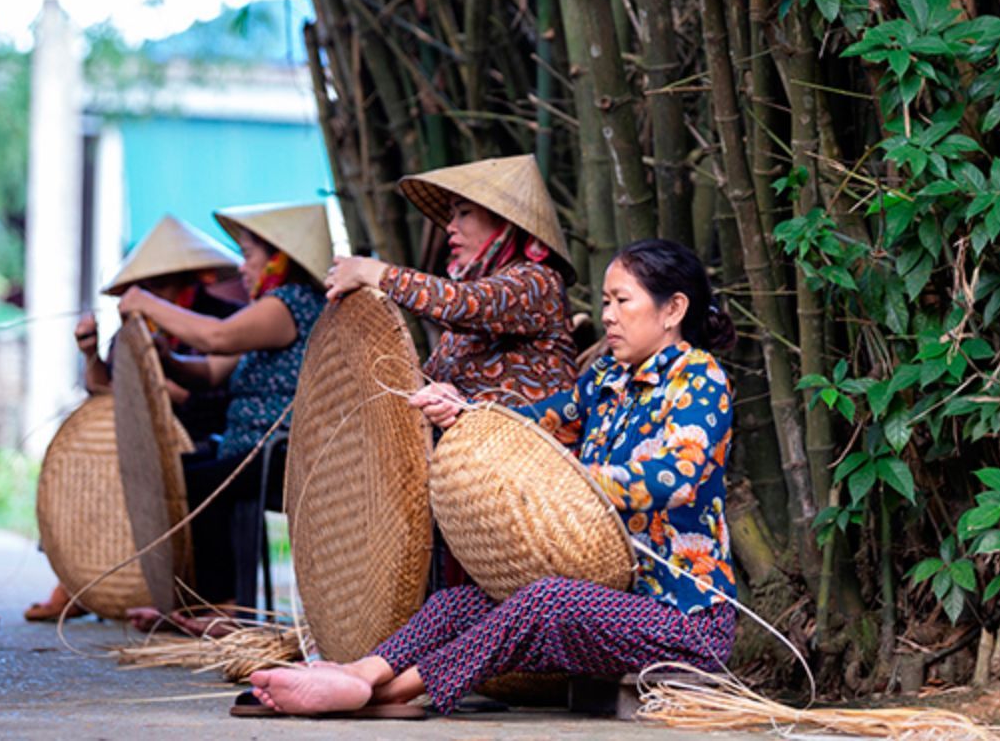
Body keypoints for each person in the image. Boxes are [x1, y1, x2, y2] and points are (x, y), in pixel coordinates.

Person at [246, 239, 737, 717]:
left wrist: (572, 485)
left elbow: (677, 477)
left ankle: (389, 694)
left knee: (549, 598)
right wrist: (464, 410)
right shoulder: (607, 377)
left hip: (682, 619)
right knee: (459, 603)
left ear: (672, 309)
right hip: (613, 601)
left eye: (622, 301)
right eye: (605, 301)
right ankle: (360, 673)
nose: (608, 315)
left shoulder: (700, 378)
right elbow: (537, 420)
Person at [117, 202, 330, 632]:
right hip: (250, 451)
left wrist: (146, 303)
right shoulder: (267, 308)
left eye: (249, 255)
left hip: (283, 455)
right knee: (180, 471)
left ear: (278, 259)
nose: (243, 267)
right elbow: (210, 371)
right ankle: (195, 599)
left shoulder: (288, 305)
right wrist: (165, 356)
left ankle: (229, 605)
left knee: (199, 482)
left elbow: (215, 337)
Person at [25, 214, 244, 623]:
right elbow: (104, 390)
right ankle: (75, 582)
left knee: (174, 470)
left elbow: (191, 389)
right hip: (141, 435)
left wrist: (157, 363)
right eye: (146, 287)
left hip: (199, 435)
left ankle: (184, 594)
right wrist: (91, 353)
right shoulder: (135, 327)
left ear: (189, 278)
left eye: (161, 285)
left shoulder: (220, 316)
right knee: (84, 469)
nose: (151, 294)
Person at [323, 154, 577, 405]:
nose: (450, 227)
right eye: (451, 215)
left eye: (464, 213)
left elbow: (462, 304)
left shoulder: (538, 281)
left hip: (528, 443)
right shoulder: (464, 323)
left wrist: (369, 271)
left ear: (505, 223)